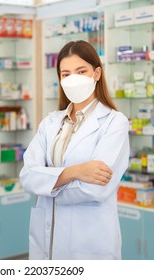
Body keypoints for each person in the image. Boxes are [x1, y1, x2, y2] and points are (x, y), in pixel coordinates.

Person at [20, 40, 130, 260]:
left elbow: (96, 189)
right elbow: (27, 177)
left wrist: (48, 184)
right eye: (66, 74)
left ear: (96, 73)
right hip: (47, 242)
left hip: (90, 242)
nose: (73, 80)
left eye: (81, 71)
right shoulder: (50, 123)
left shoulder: (114, 122)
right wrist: (75, 172)